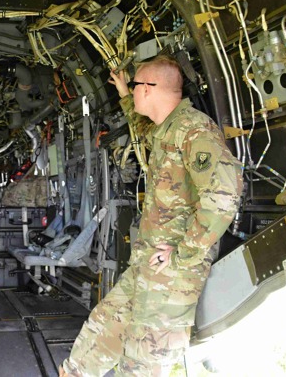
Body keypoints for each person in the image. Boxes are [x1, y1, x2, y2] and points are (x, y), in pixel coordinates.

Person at [61, 55, 243, 376]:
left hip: (171, 277)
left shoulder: (194, 131)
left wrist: (183, 255)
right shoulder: (166, 130)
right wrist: (122, 92)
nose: (132, 93)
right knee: (101, 330)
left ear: (147, 89)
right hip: (147, 265)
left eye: (134, 87)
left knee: (142, 363)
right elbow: (140, 125)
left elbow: (224, 194)